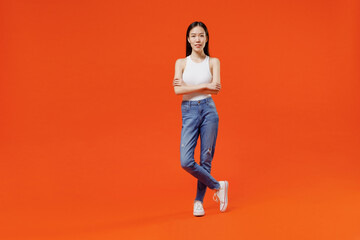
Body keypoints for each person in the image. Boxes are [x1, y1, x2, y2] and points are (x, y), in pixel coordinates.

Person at [173, 21, 228, 217]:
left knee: (206, 158)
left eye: (201, 35)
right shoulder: (181, 62)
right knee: (186, 161)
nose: (198, 39)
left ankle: (199, 201)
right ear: (188, 39)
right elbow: (177, 91)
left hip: (208, 110)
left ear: (206, 39)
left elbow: (216, 89)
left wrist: (194, 87)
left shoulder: (213, 62)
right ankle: (218, 186)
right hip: (189, 110)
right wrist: (205, 86)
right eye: (194, 35)